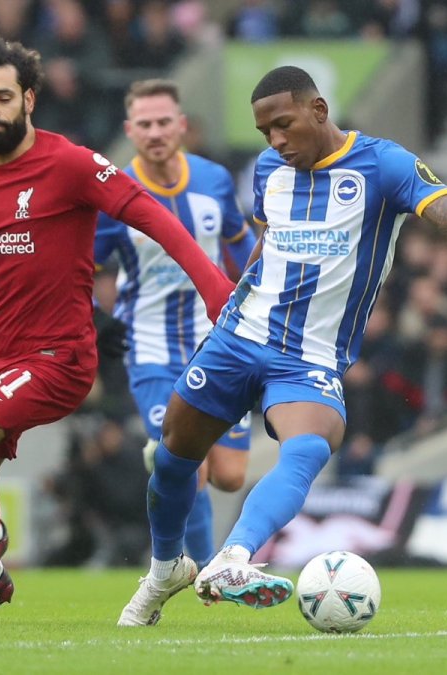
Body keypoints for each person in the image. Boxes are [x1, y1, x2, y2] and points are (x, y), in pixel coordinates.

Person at [117, 66, 447, 626]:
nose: (276, 142)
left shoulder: (383, 165)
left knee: (311, 446)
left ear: (319, 110)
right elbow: (271, 241)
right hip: (239, 337)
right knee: (173, 459)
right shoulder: (268, 169)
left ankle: (231, 559)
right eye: (266, 132)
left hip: (309, 356)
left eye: (284, 125)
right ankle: (165, 568)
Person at [0, 36, 235, 622]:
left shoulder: (71, 164)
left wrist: (214, 287)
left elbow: (155, 219)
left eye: (3, 97)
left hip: (56, 355)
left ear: (29, 98)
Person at [94, 79, 257, 569]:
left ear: (182, 125)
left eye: (164, 122)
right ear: (130, 131)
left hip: (215, 345)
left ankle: (167, 476)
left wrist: (266, 294)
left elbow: (240, 244)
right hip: (150, 351)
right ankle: (206, 575)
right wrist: (90, 319)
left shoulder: (213, 180)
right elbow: (83, 265)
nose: (156, 132)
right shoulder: (113, 195)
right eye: (144, 124)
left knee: (229, 475)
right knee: (192, 467)